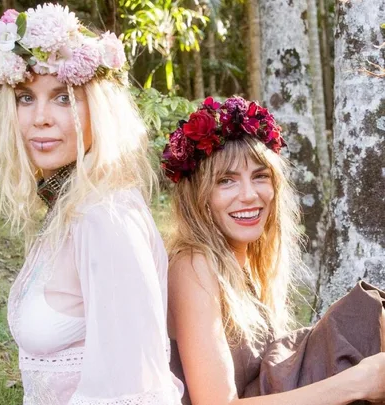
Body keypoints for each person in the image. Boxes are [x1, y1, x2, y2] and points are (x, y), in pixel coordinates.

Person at [0, 4, 183, 404]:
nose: (40, 118)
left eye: (64, 99)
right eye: (25, 98)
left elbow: (132, 391)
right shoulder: (72, 205)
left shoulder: (105, 217)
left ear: (99, 110)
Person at [161, 96, 385, 405]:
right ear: (198, 196)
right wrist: (356, 383)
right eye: (226, 181)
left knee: (370, 314)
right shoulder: (193, 265)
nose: (249, 195)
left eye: (260, 176)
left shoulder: (245, 266)